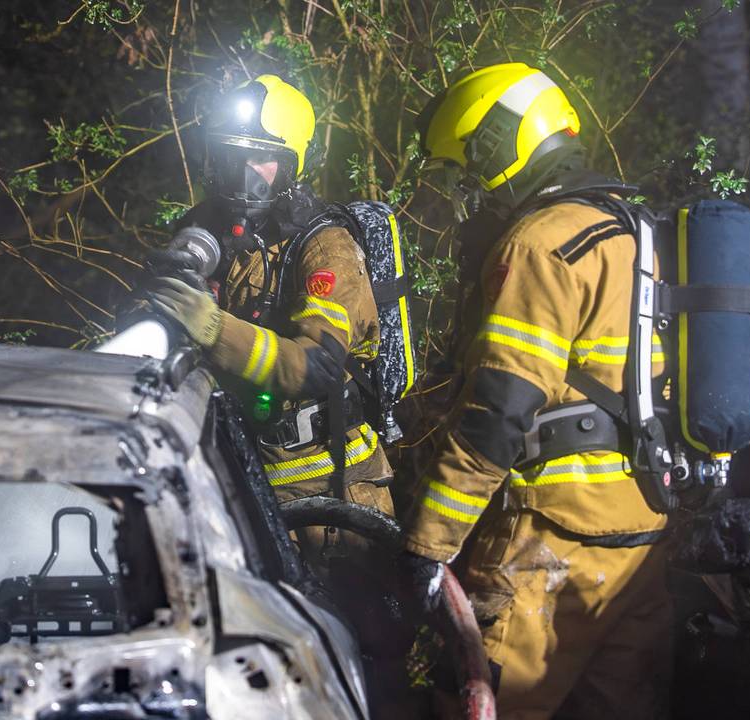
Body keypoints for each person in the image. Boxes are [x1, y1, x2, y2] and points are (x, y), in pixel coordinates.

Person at [403, 63, 672, 718]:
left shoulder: (541, 241)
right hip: (643, 543)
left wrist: (429, 546)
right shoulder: (635, 233)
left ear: (499, 147)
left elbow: (496, 415)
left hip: (546, 551)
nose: (473, 195)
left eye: (470, 171)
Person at [137, 73, 394, 517]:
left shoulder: (323, 246)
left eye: (261, 157)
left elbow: (318, 367)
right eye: (232, 154)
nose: (243, 172)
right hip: (233, 479)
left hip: (329, 491)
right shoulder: (204, 232)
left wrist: (213, 329)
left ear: (293, 164)